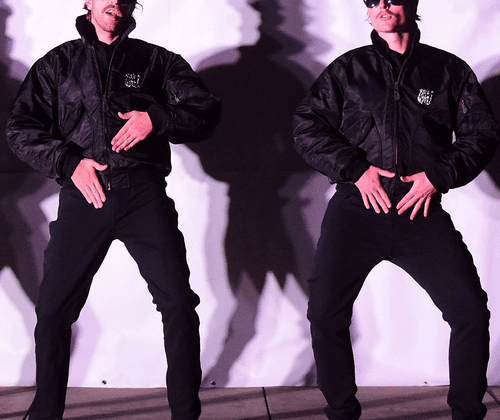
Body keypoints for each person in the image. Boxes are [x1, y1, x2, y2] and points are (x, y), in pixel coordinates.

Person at [6, 0, 220, 419]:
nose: (114, 2)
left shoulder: (156, 61)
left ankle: (185, 414)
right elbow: (20, 128)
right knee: (53, 311)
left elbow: (205, 111)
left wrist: (156, 118)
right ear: (87, 1)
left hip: (143, 196)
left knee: (178, 304)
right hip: (83, 198)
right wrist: (69, 162)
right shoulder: (57, 64)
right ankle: (45, 413)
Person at [293, 1, 499, 419]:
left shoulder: (447, 70)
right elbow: (307, 126)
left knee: (470, 313)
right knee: (325, 313)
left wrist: (438, 176)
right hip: (356, 211)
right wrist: (355, 170)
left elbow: (481, 134)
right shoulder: (348, 69)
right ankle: (342, 411)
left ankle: (466, 412)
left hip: (419, 212)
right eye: (372, 0)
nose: (382, 6)